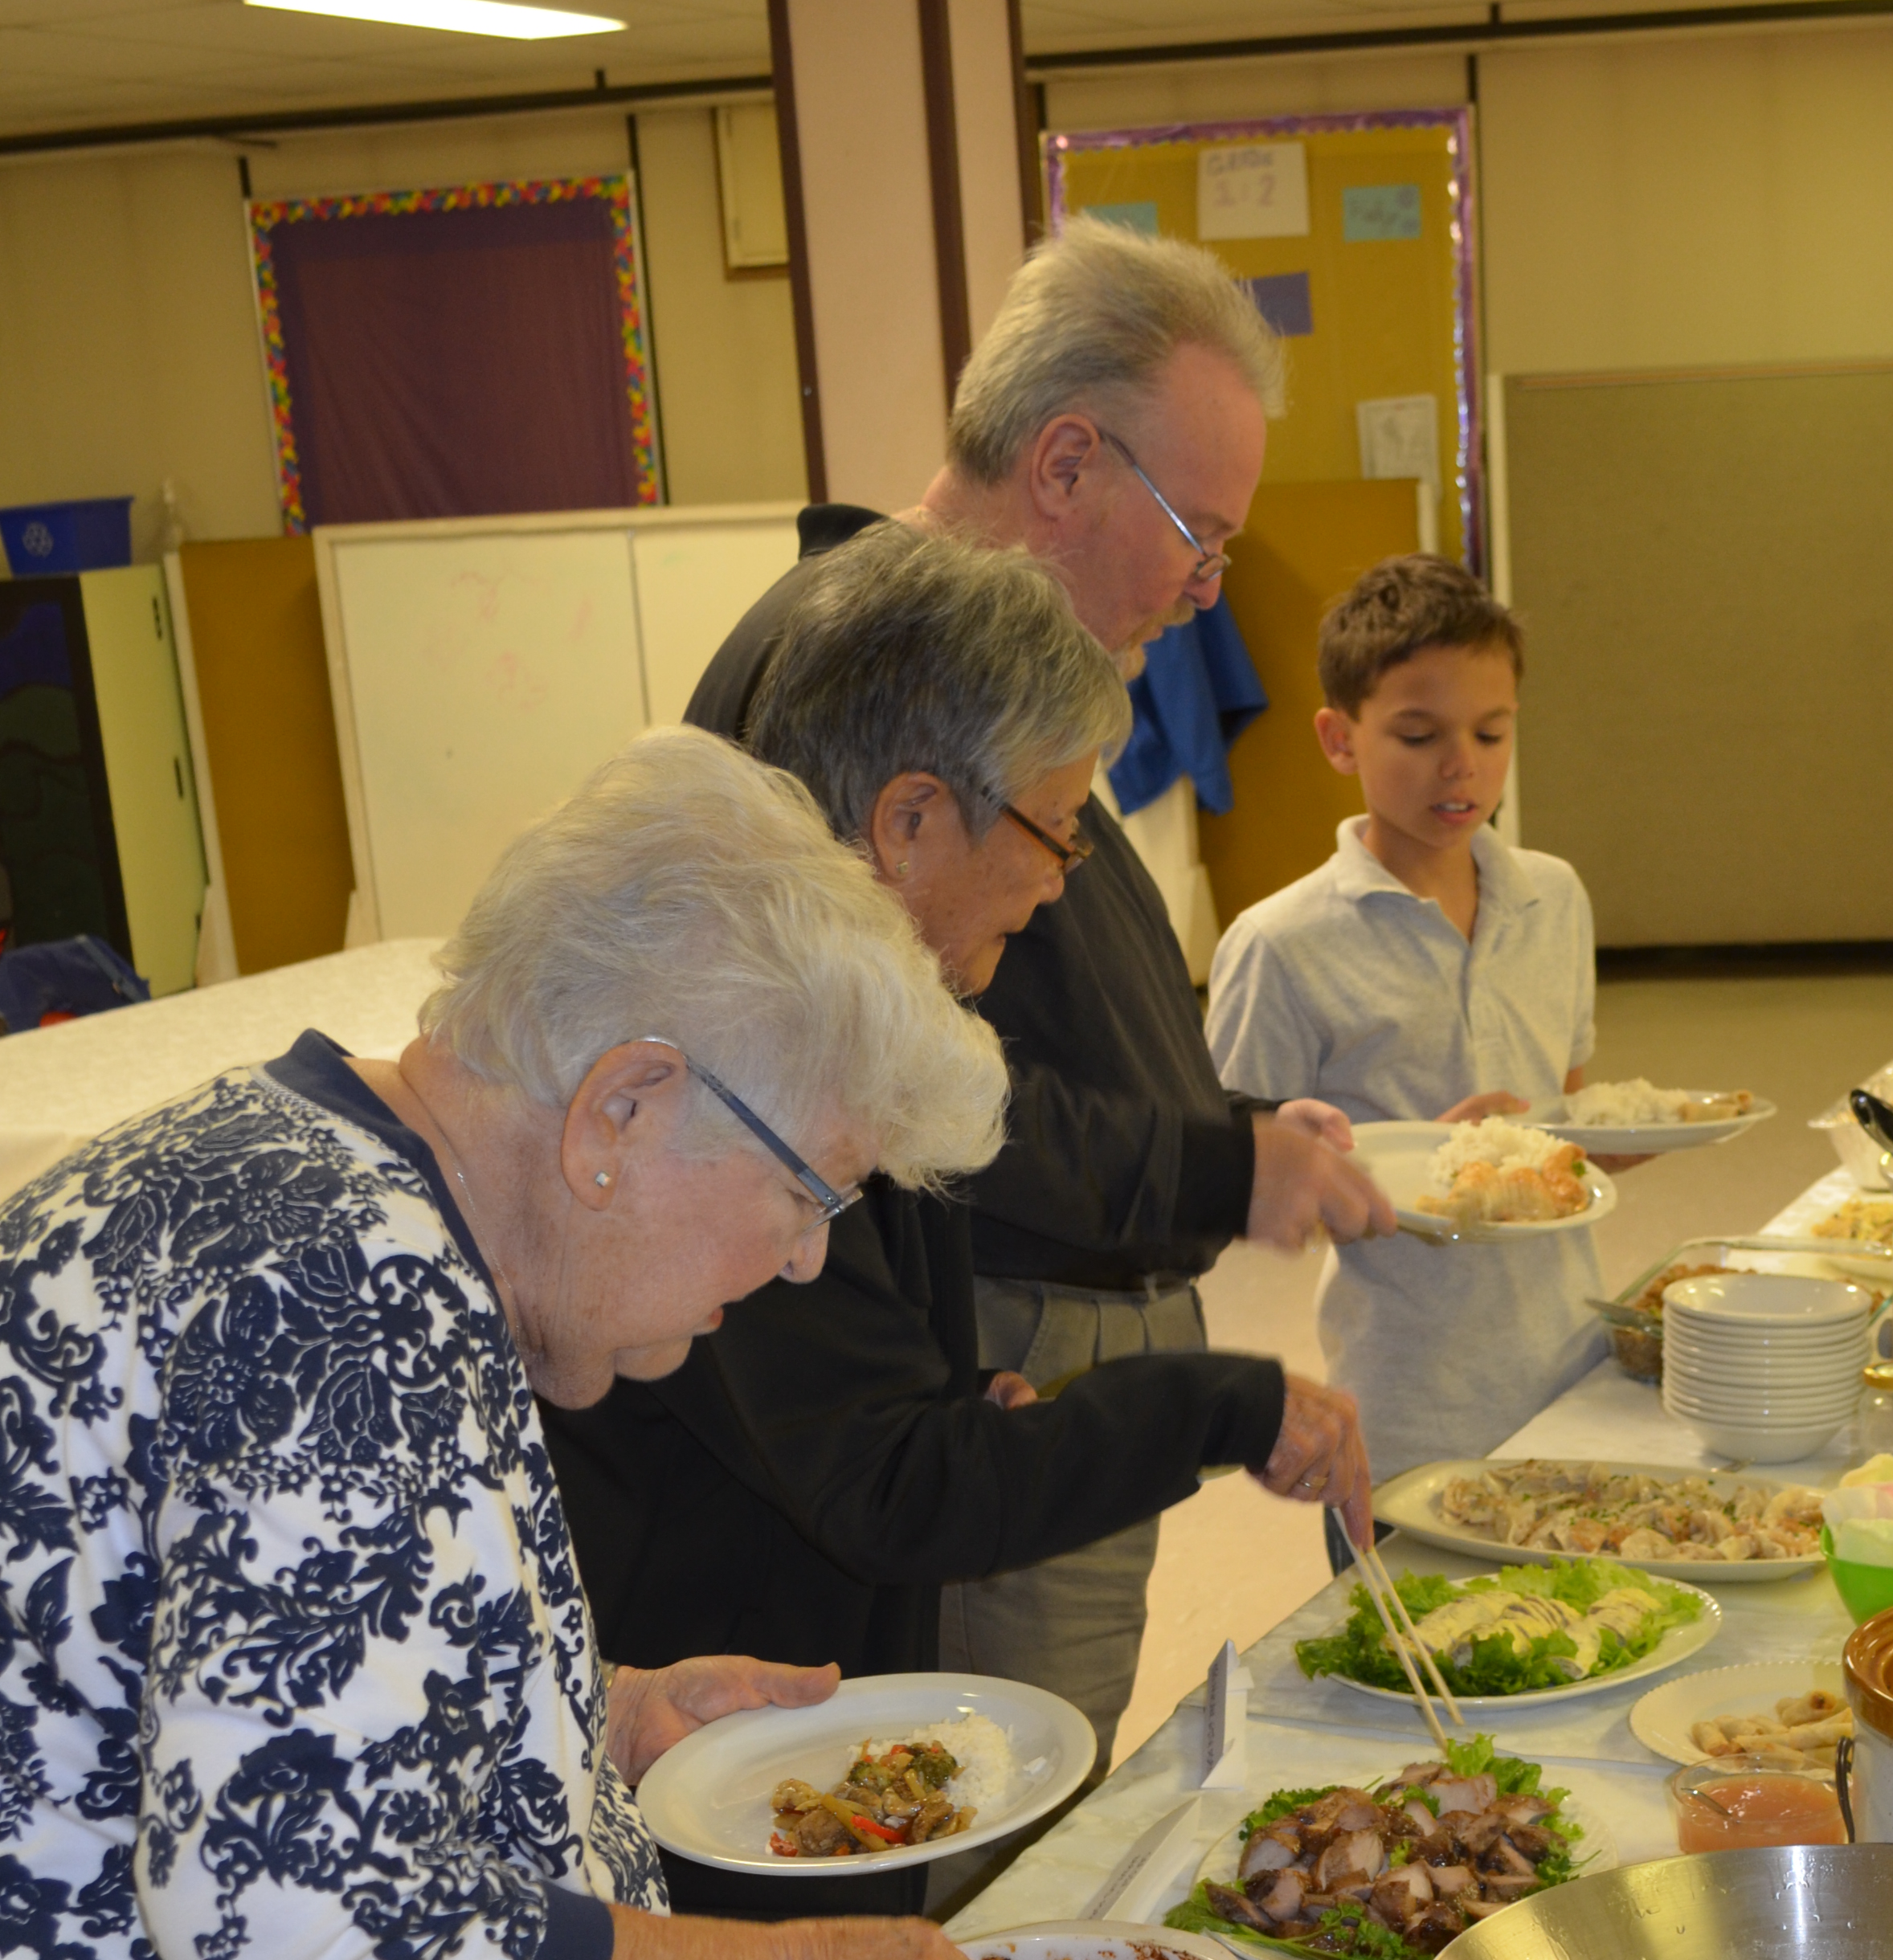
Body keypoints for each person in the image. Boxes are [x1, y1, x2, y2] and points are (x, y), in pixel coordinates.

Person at [0, 729, 1011, 1960]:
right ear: (624, 1104)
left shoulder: (300, 1182)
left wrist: (588, 1715)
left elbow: (218, 1688)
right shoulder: (351, 1294)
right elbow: (299, 1915)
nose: (805, 1261)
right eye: (805, 1193)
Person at [685, 223, 1399, 1751]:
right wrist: (1218, 1162)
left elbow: (1050, 1015)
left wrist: (1241, 1128)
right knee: (998, 1803)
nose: (1207, 590)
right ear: (1064, 464)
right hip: (972, 1357)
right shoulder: (868, 669)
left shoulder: (1004, 679)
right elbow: (934, 1092)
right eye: (1195, 534)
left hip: (1024, 1344)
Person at [547, 523, 1371, 1765]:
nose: (1059, 886)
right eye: (1054, 831)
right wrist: (1220, 1406)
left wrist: (941, 1390)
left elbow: (849, 1395)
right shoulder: (736, 1055)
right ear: (911, 820)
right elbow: (883, 1484)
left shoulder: (874, 1014)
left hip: (795, 1684)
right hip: (708, 1743)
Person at [1205, 556, 1604, 1488]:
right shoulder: (1281, 944)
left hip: (1572, 1362)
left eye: (1492, 731)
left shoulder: (1556, 896)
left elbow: (1573, 1118)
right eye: (1418, 734)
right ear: (1339, 738)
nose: (1462, 764)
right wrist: (1433, 1161)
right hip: (1410, 1394)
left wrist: (1578, 1146)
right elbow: (1234, 1193)